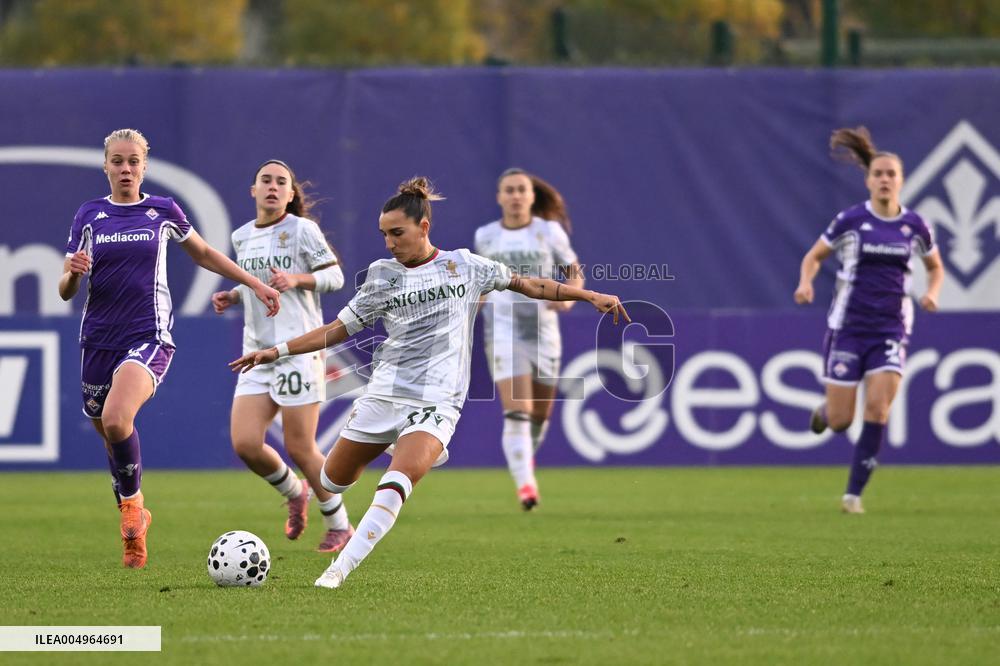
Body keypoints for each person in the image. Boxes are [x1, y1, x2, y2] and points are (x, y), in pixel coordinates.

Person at [229, 177, 630, 589]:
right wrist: (277, 351)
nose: (389, 243)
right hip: (384, 394)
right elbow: (337, 329)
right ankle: (387, 443)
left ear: (423, 227)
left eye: (397, 233)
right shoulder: (381, 276)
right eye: (384, 235)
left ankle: (338, 570)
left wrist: (588, 295)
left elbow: (529, 283)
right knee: (332, 480)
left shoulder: (466, 266)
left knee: (395, 484)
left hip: (437, 400)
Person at [59, 128, 281, 569]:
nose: (125, 169)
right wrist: (73, 273)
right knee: (111, 438)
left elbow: (204, 254)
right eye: (117, 161)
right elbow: (66, 290)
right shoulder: (89, 215)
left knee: (117, 419)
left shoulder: (162, 210)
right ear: (105, 166)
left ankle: (130, 512)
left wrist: (254, 283)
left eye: (133, 161)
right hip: (97, 340)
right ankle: (135, 515)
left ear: (145, 166)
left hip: (149, 334)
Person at [794, 127, 943, 514]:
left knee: (877, 410)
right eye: (878, 174)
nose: (884, 179)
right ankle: (826, 412)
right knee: (841, 420)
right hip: (848, 329)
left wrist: (932, 292)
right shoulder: (851, 220)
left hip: (891, 329)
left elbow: (935, 267)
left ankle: (853, 496)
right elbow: (814, 256)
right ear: (868, 181)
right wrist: (806, 282)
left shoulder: (915, 226)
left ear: (901, 180)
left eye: (891, 174)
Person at [211, 160, 354, 553]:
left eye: (281, 182)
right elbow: (256, 283)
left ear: (291, 194)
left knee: (301, 448)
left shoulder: (302, 230)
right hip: (256, 353)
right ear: (253, 190)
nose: (272, 187)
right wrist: (234, 294)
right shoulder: (242, 236)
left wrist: (297, 279)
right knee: (245, 443)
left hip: (297, 351)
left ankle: (340, 524)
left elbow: (335, 277)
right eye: (266, 181)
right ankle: (295, 491)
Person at [473, 168, 584, 510]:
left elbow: (574, 272)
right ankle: (526, 488)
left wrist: (569, 298)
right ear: (499, 197)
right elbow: (481, 282)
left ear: (532, 196)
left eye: (522, 190)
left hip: (543, 331)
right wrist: (468, 313)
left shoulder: (548, 232)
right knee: (518, 411)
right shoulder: (486, 236)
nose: (516, 196)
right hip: (503, 330)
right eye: (509, 190)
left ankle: (524, 463)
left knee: (539, 417)